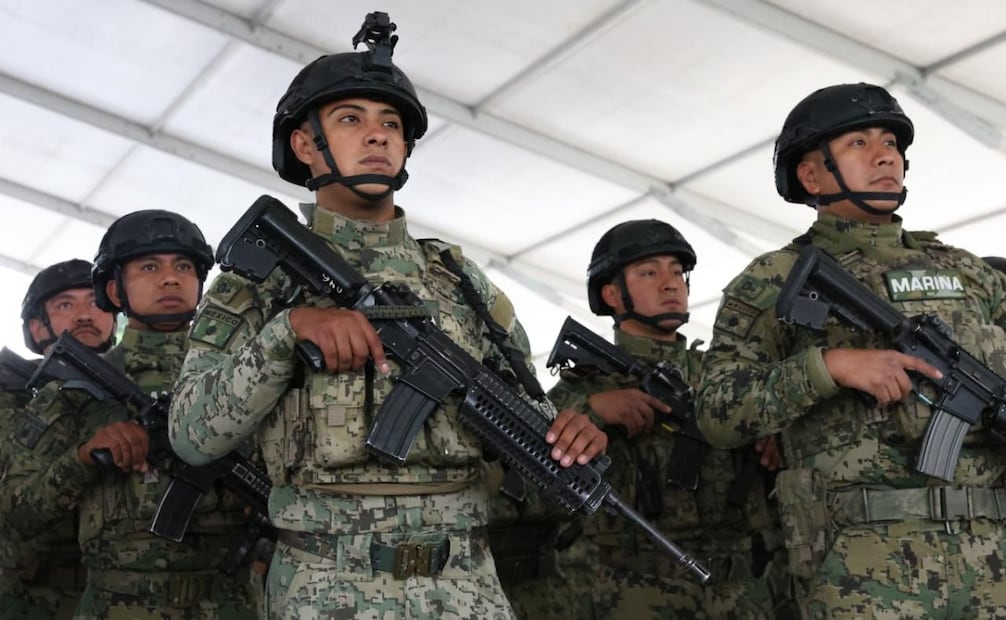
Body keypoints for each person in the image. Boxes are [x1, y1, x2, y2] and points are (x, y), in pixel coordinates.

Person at [166, 11, 607, 620]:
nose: (376, 136)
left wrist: (565, 434)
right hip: (327, 587)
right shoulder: (258, 282)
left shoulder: (461, 281)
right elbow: (192, 435)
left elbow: (522, 411)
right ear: (304, 144)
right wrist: (287, 332)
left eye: (390, 124)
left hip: (467, 587)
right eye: (351, 120)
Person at [696, 82, 1006, 619]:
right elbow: (718, 410)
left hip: (992, 560)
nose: (886, 154)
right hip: (866, 567)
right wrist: (827, 367)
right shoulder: (771, 280)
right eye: (858, 144)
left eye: (891, 142)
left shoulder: (970, 272)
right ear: (811, 175)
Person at [1, 211, 260, 619]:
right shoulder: (74, 388)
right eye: (149, 266)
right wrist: (84, 458)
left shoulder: (247, 377)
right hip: (118, 606)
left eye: (184, 266)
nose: (170, 278)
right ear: (114, 289)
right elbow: (17, 514)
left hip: (230, 602)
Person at [533, 220, 787, 619]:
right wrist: (594, 413)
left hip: (743, 587)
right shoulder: (580, 391)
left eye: (677, 272)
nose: (670, 284)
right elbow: (530, 491)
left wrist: (775, 439)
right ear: (611, 293)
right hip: (635, 593)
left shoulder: (727, 377)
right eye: (649, 272)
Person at [0, 259, 116, 619]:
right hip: (28, 599)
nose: (84, 315)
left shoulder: (140, 392)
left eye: (96, 302)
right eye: (65, 305)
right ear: (36, 328)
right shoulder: (8, 398)